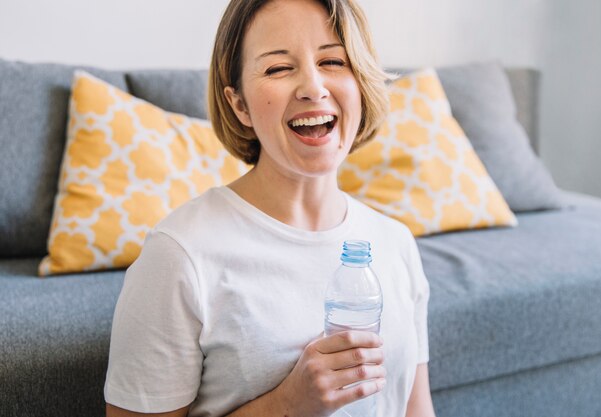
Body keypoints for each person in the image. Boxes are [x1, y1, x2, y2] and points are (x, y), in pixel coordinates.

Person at [104, 0, 436, 416]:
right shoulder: (179, 256)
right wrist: (288, 404)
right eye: (278, 68)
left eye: (332, 60)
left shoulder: (395, 243)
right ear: (239, 104)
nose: (313, 88)